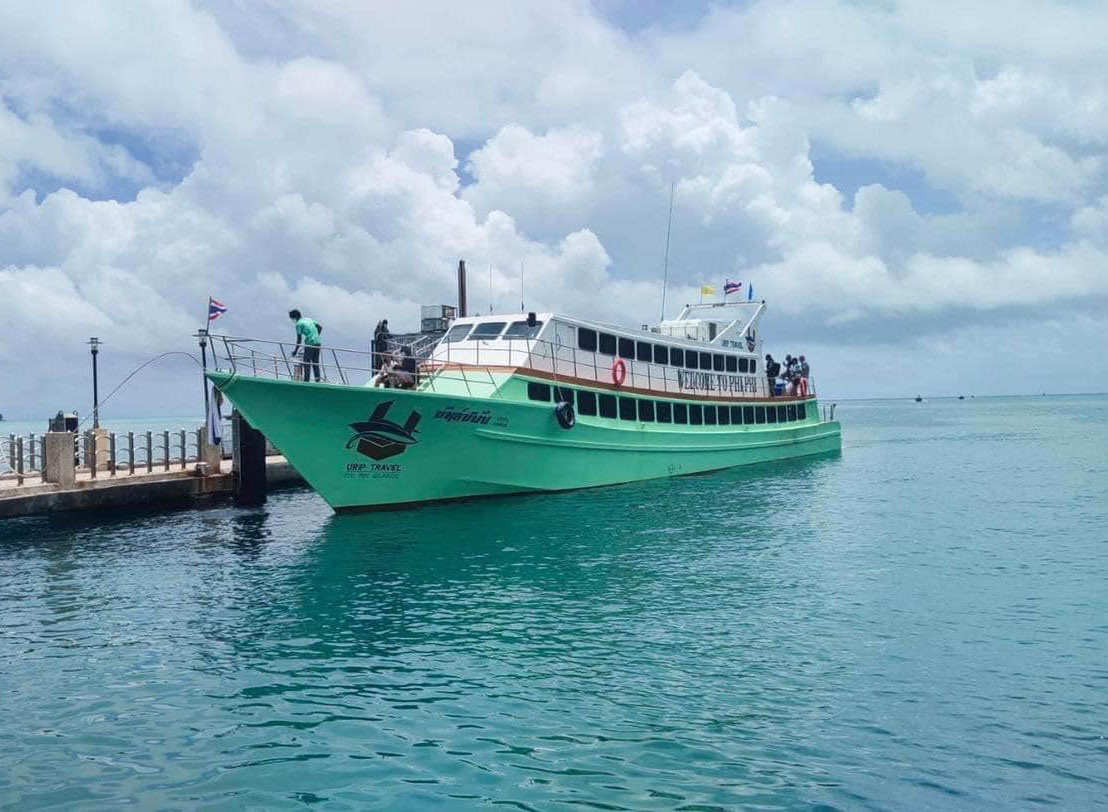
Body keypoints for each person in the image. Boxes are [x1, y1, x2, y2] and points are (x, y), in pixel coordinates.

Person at [289, 308, 323, 382]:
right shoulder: (308, 319)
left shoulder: (298, 324)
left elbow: (299, 339)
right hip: (318, 342)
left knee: (306, 362)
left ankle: (306, 380)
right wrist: (316, 335)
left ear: (294, 318)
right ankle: (317, 379)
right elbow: (320, 327)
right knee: (315, 362)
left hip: (310, 343)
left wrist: (295, 351)